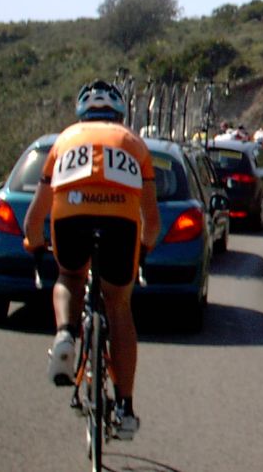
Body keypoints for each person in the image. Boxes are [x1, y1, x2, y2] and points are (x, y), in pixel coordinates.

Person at [22, 80, 161, 441]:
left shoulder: (65, 141)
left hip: (71, 218)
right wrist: (144, 249)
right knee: (119, 306)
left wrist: (34, 244)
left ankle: (66, 335)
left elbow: (35, 216)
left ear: (82, 112)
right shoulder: (134, 143)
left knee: (69, 276)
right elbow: (152, 220)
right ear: (120, 113)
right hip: (121, 225)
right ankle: (125, 409)